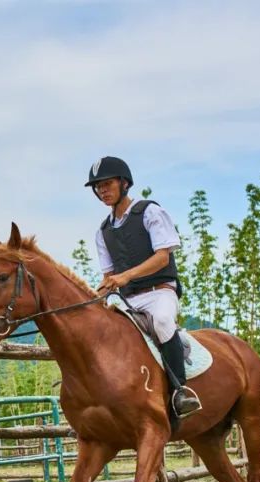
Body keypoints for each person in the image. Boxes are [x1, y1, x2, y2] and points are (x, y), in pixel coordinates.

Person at [86, 156, 201, 419]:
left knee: (161, 321)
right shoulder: (102, 232)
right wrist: (93, 297)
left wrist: (125, 277)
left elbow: (162, 257)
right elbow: (108, 276)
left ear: (124, 183)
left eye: (107, 184)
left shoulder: (150, 212)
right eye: (98, 186)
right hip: (127, 300)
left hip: (159, 292)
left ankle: (180, 393)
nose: (102, 190)